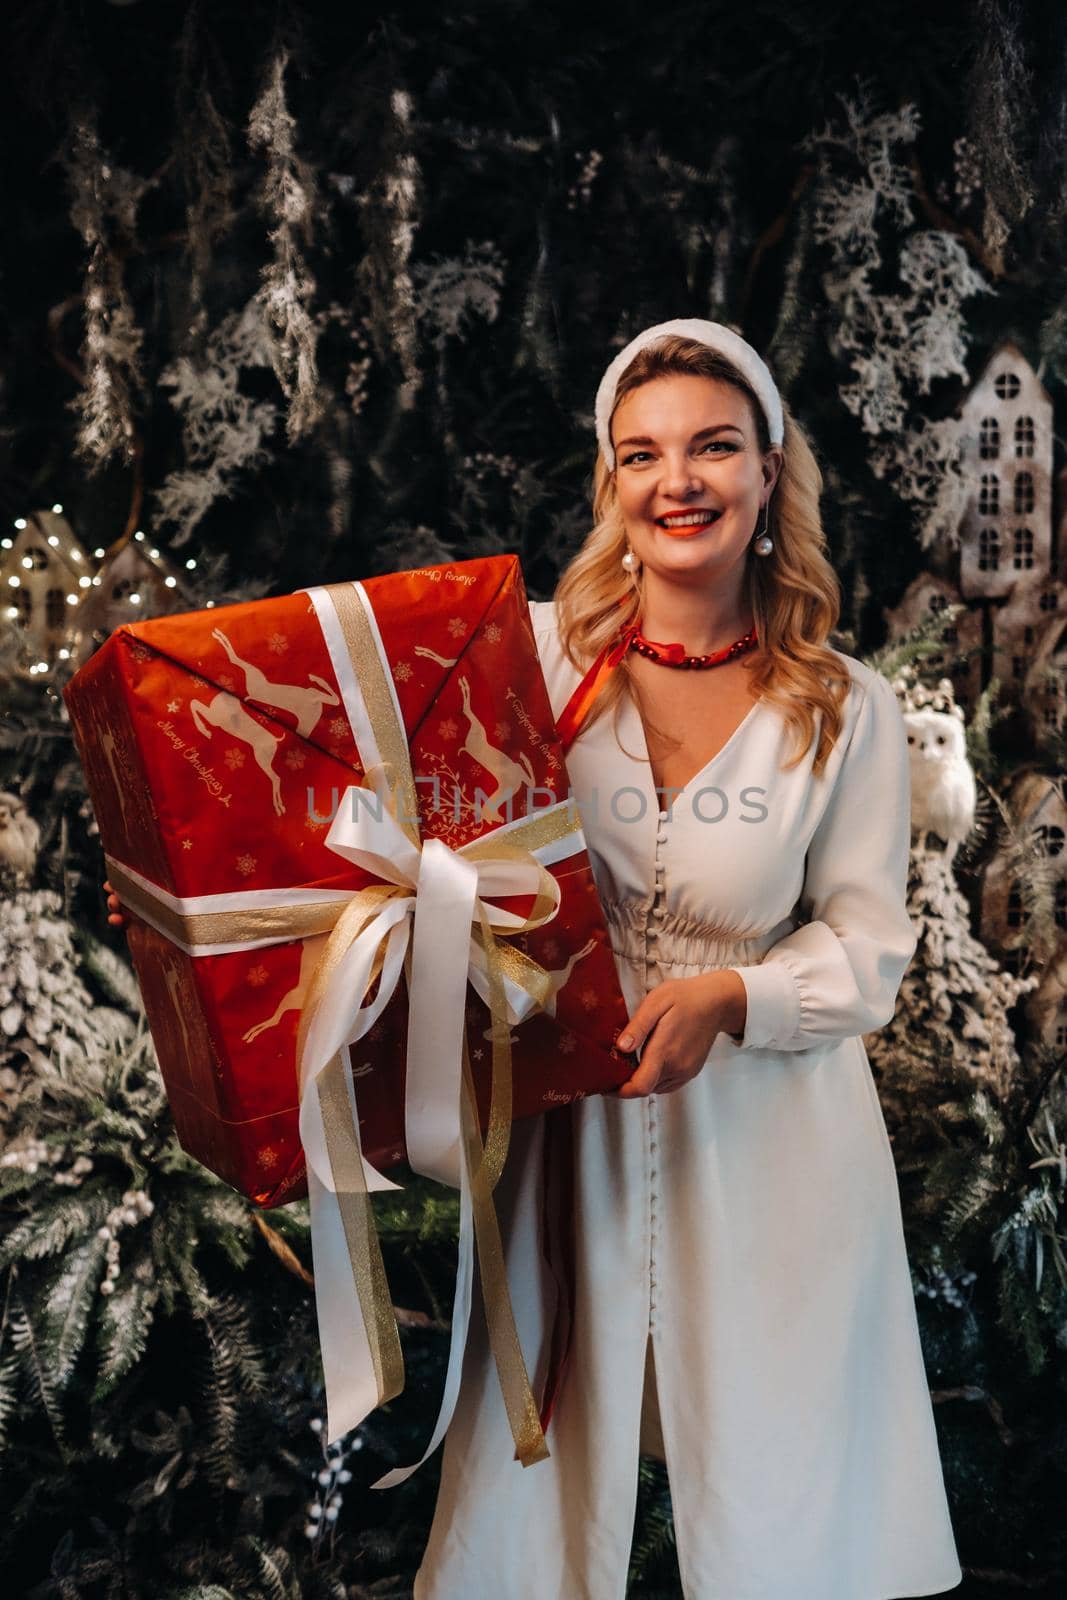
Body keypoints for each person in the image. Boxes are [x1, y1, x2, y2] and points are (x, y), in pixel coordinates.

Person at [412, 320, 963, 1598]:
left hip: (775, 1147)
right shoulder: (527, 663)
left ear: (768, 472)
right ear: (610, 486)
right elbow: (410, 832)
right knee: (533, 1508)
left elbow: (868, 947)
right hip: (569, 1135)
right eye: (643, 454)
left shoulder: (843, 704)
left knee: (787, 1505)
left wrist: (733, 995)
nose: (680, 481)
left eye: (714, 446)